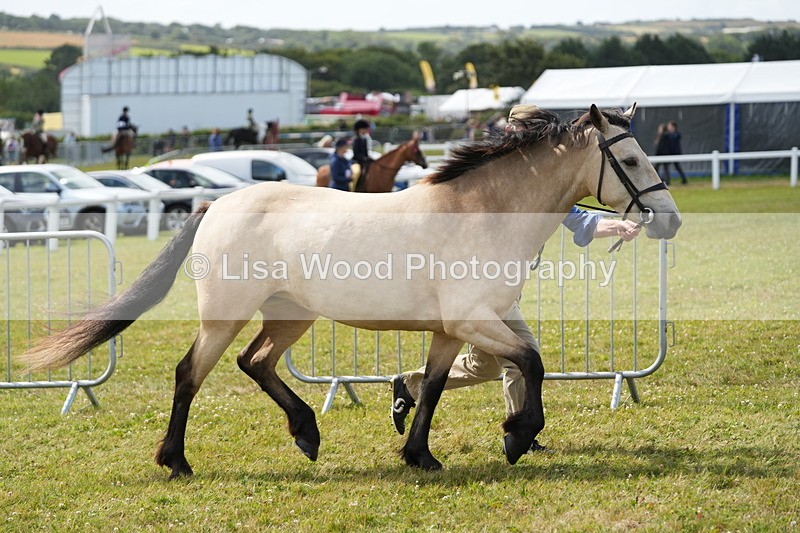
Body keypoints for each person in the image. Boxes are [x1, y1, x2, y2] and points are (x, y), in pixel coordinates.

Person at [389, 103, 643, 453]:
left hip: (497, 286)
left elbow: (575, 218)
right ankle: (521, 433)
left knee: (485, 364)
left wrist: (616, 224)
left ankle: (411, 385)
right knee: (523, 357)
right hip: (478, 285)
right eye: (526, 132)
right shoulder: (494, 177)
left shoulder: (540, 181)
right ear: (512, 133)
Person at [663, 121, 688, 185]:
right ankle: (667, 181)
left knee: (677, 167)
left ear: (673, 127)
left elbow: (675, 143)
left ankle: (684, 180)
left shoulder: (677, 134)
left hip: (675, 153)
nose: (668, 127)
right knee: (666, 167)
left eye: (669, 126)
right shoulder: (666, 135)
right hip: (669, 154)